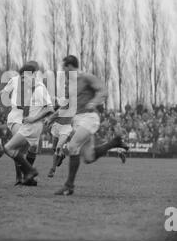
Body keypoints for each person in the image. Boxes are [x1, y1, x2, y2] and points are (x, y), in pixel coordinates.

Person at [46, 55, 129, 196]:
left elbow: (103, 90)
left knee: (72, 147)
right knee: (89, 158)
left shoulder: (86, 78)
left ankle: (68, 186)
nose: (63, 70)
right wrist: (52, 117)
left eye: (64, 67)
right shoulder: (69, 83)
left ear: (70, 66)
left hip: (89, 118)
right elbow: (67, 105)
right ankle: (116, 142)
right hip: (78, 121)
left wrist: (94, 102)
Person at [0, 61, 43, 186]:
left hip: (30, 117)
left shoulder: (38, 85)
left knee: (33, 147)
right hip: (16, 116)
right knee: (19, 144)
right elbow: (3, 93)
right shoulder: (15, 80)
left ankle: (27, 176)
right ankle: (20, 177)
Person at [3, 64, 54, 185]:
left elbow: (50, 109)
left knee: (8, 148)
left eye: (24, 77)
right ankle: (28, 179)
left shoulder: (39, 89)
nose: (22, 80)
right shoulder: (32, 89)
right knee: (30, 149)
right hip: (34, 127)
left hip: (32, 127)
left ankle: (29, 171)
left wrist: (33, 118)